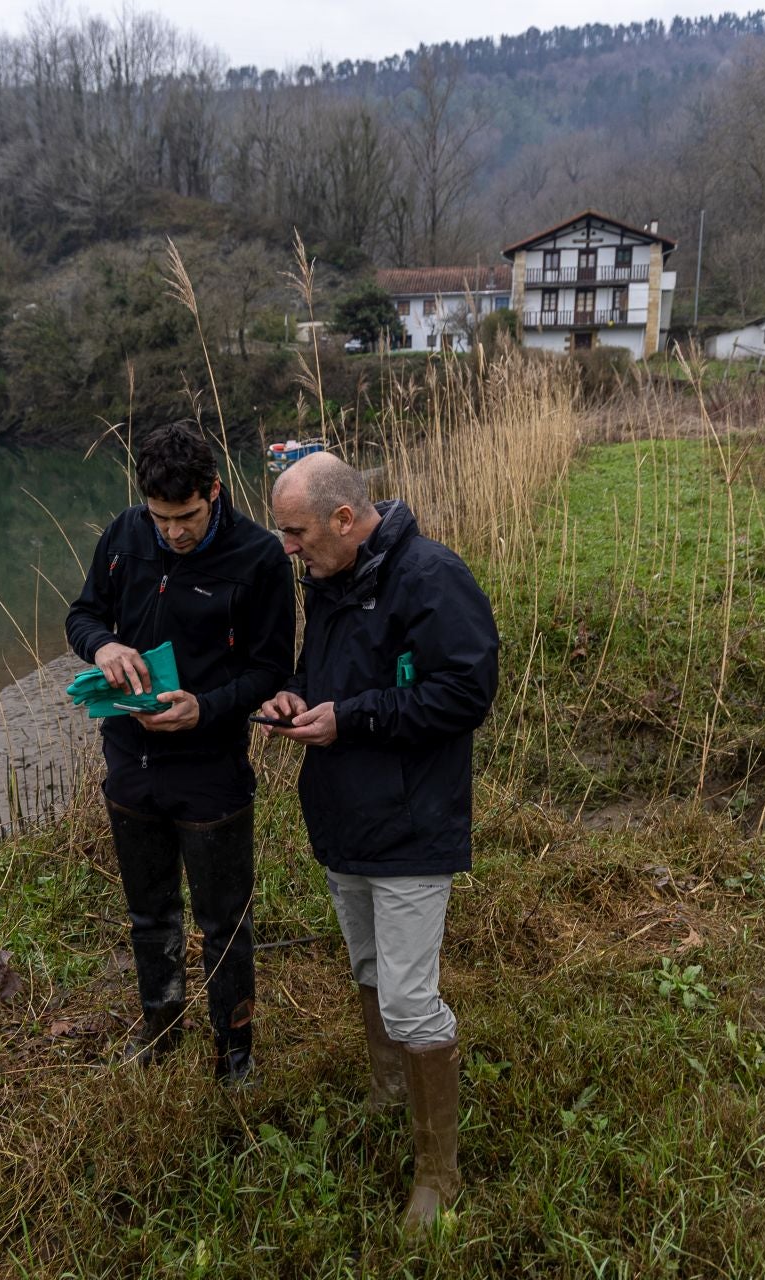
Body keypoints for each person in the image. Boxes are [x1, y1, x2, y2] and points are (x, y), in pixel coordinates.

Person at [258, 451, 500, 1229]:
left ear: (342, 518)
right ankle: (387, 1089)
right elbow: (331, 675)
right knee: (367, 969)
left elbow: (466, 691)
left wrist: (351, 717)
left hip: (410, 825)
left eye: (296, 532)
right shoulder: (327, 580)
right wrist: (297, 695)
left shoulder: (432, 577)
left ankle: (439, 1172)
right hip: (342, 817)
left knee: (408, 997)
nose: (287, 548)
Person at [66, 420, 296, 1083]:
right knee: (149, 914)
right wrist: (101, 646)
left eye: (188, 516)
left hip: (212, 769)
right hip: (129, 761)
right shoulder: (124, 536)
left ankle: (235, 1057)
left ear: (214, 492)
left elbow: (271, 669)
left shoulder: (258, 558)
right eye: (161, 518)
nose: (174, 532)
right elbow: (82, 614)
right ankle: (159, 1032)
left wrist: (208, 707)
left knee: (224, 923)